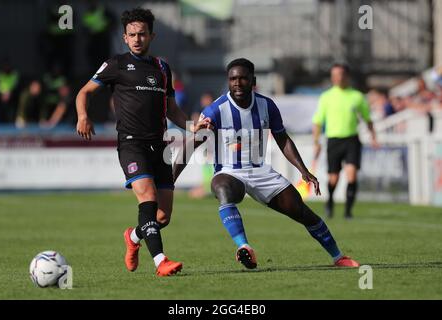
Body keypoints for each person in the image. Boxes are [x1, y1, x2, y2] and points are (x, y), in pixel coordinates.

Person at [173, 58, 359, 269]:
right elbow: (190, 146)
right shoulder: (216, 110)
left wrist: (303, 170)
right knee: (223, 189)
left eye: (243, 78)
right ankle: (244, 247)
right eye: (233, 79)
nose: (237, 83)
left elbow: (282, 139)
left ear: (253, 80)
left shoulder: (266, 105)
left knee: (302, 212)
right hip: (228, 172)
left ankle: (338, 256)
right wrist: (170, 181)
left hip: (261, 172)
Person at [75, 7, 209, 276]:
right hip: (131, 144)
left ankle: (133, 237)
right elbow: (84, 91)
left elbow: (172, 109)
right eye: (132, 34)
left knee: (162, 217)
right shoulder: (116, 64)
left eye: (142, 34)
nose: (137, 39)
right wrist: (82, 116)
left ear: (152, 36)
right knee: (147, 199)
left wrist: (192, 126)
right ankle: (161, 262)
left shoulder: (162, 68)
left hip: (159, 147)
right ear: (125, 38)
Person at [312, 63, 378, 219]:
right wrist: (316, 142)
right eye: (334, 74)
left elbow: (367, 118)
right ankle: (330, 202)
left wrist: (373, 136)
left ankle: (348, 211)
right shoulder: (326, 97)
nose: (338, 77)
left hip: (351, 140)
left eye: (341, 74)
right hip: (333, 140)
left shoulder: (357, 96)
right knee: (333, 178)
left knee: (352, 175)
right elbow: (318, 122)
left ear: (346, 76)